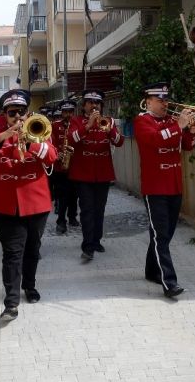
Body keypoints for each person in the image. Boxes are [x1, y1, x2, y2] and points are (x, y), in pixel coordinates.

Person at [0, 90, 58, 321]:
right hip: (5, 206)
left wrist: (31, 141)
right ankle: (11, 303)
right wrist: (4, 135)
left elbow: (52, 157)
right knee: (12, 254)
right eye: (13, 113)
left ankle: (29, 285)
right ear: (4, 114)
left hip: (36, 204)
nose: (18, 117)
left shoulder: (40, 129)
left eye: (22, 112)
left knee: (33, 250)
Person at [133, 83, 195, 298]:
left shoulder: (171, 122)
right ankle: (169, 282)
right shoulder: (142, 121)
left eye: (166, 100)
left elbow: (187, 146)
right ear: (148, 100)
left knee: (164, 234)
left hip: (174, 185)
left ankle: (152, 270)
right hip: (155, 187)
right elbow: (153, 139)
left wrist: (192, 130)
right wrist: (179, 125)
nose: (165, 104)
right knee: (161, 235)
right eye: (160, 100)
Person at [67, 90, 124, 261]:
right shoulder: (76, 121)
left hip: (103, 172)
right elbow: (71, 140)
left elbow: (119, 142)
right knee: (87, 210)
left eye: (97, 102)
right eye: (90, 102)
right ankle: (88, 246)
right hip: (83, 173)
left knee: (99, 209)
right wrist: (88, 126)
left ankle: (96, 240)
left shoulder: (110, 121)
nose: (94, 105)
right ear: (84, 105)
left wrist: (110, 131)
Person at [51, 99, 79, 234]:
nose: (68, 114)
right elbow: (52, 143)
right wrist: (58, 153)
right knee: (62, 195)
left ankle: (72, 216)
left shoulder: (78, 125)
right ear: (61, 113)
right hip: (60, 166)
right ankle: (61, 221)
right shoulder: (55, 126)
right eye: (65, 112)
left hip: (75, 165)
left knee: (74, 194)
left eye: (70, 112)